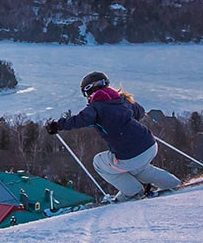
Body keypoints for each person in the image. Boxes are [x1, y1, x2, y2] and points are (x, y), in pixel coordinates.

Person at [48, 71, 181, 202]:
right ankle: (173, 183)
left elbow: (80, 120)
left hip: (130, 154)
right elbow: (139, 112)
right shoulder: (121, 99)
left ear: (88, 91)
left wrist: (57, 125)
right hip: (150, 144)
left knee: (99, 162)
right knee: (139, 168)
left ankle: (134, 191)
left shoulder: (96, 107)